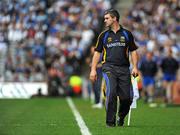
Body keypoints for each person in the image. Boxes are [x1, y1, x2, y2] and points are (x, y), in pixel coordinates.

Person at [89, 9, 139, 127]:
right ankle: (110, 123)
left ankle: (121, 117)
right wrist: (93, 69)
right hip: (108, 68)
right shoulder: (103, 35)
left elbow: (133, 51)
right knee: (111, 94)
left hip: (124, 69)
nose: (105, 20)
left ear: (114, 18)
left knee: (127, 98)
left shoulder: (127, 34)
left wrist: (135, 67)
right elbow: (97, 53)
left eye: (107, 18)